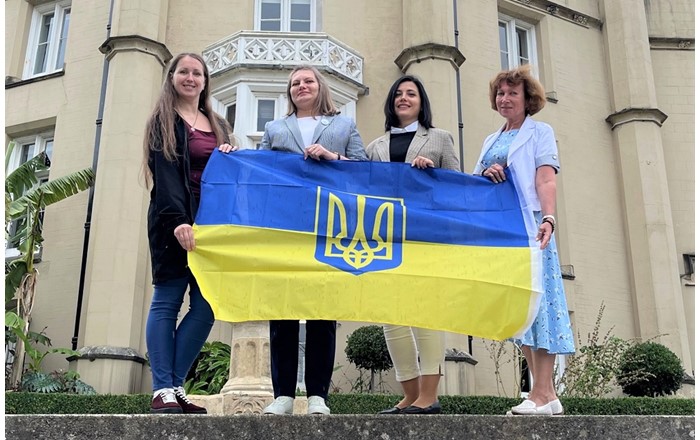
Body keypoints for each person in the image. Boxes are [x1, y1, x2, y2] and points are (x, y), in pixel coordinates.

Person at [259, 65, 368, 415]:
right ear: (289, 92)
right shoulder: (274, 128)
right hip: (287, 226)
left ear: (320, 87)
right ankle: (283, 395)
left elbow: (365, 171)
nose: (301, 86)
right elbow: (260, 171)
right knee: (283, 308)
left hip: (329, 225)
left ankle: (318, 394)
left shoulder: (344, 125)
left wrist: (332, 157)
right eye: (295, 83)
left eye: (307, 81)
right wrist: (231, 152)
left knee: (323, 308)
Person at [474, 65, 574, 416]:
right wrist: (487, 173)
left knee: (540, 305)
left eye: (512, 93)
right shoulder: (490, 139)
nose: (504, 98)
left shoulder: (540, 132)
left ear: (527, 99)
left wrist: (548, 217)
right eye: (500, 93)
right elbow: (477, 182)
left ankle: (544, 393)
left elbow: (546, 179)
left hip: (530, 223)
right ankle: (542, 393)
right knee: (521, 309)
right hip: (503, 228)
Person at [143, 52, 238, 414]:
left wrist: (228, 154)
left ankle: (173, 384)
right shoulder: (162, 121)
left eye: (197, 73)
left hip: (212, 224)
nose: (190, 78)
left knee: (206, 306)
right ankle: (161, 389)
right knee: (167, 300)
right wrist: (179, 220)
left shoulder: (219, 124)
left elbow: (231, 175)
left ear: (205, 80)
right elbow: (165, 176)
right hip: (174, 221)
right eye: (183, 71)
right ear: (172, 78)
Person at [366, 75, 459, 415]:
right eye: (399, 94)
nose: (404, 98)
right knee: (392, 315)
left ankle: (430, 396)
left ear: (422, 102)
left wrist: (432, 172)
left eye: (411, 94)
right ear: (391, 102)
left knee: (426, 310)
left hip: (427, 233)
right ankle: (409, 393)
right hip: (388, 235)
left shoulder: (439, 138)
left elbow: (457, 184)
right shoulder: (375, 146)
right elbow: (368, 188)